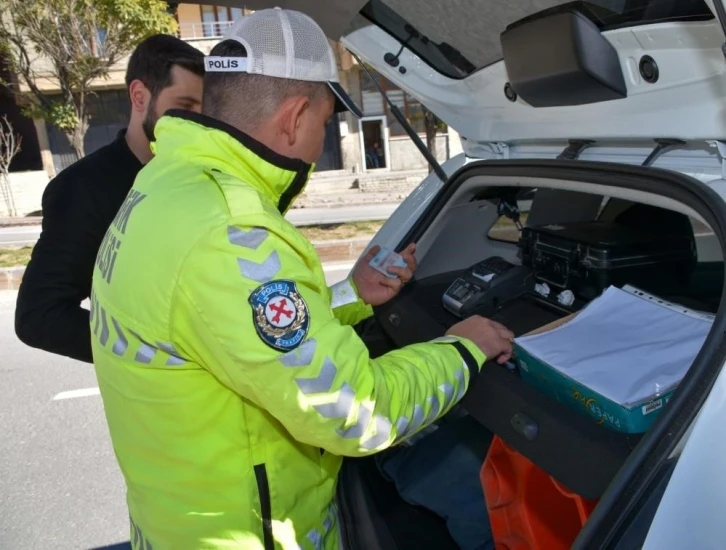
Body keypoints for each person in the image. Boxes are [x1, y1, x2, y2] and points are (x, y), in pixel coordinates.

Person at [90, 9, 513, 550]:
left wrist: (353, 296)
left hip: (176, 520)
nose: (319, 142)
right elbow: (357, 412)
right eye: (324, 123)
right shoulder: (234, 232)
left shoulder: (167, 184)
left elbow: (239, 335)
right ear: (293, 118)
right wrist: (463, 349)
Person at [15, 34, 205, 363]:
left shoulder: (201, 176)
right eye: (185, 107)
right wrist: (156, 358)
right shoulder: (83, 188)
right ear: (139, 95)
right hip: (155, 398)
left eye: (204, 110)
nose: (197, 122)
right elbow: (39, 315)